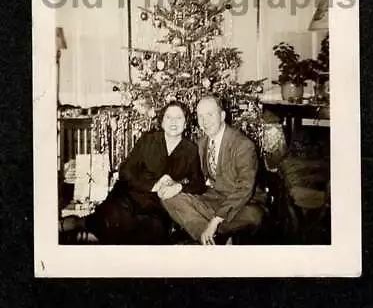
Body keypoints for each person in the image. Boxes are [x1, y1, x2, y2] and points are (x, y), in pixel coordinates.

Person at [59, 101, 206, 245]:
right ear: (162, 122)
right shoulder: (149, 140)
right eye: (169, 117)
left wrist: (178, 187)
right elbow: (125, 170)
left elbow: (198, 184)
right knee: (112, 218)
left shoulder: (190, 150)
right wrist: (153, 185)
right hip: (130, 194)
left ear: (186, 123)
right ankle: (75, 226)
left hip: (156, 205)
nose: (173, 122)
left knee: (154, 231)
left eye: (179, 118)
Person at [162, 95, 267, 245]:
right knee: (169, 196)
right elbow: (188, 175)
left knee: (252, 216)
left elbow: (245, 189)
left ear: (222, 116)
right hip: (213, 199)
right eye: (200, 116)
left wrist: (216, 220)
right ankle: (209, 237)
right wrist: (173, 183)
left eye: (210, 115)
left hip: (244, 204)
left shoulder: (243, 145)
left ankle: (210, 231)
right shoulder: (200, 144)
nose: (205, 121)